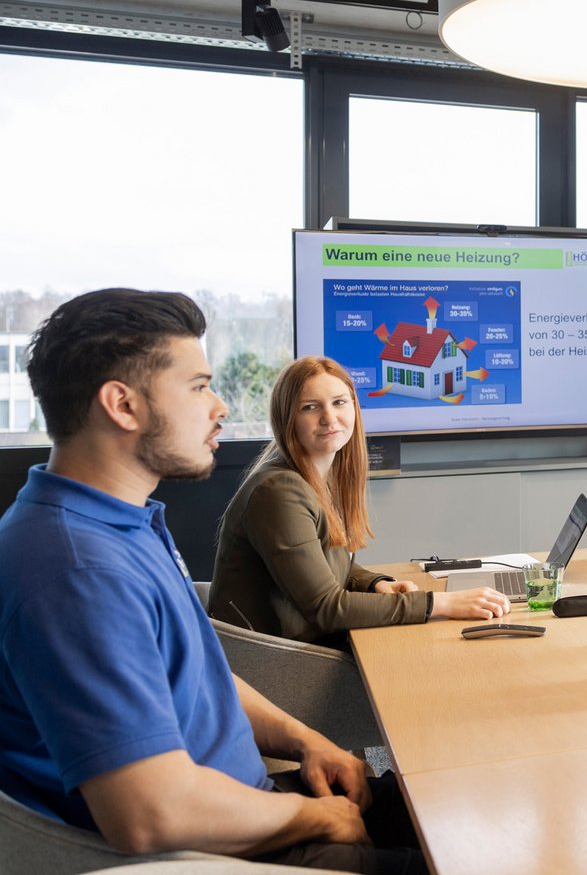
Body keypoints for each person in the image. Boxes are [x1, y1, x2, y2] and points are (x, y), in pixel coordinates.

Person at [0, 289, 424, 871]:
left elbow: (200, 672)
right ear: (122, 405)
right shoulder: (79, 571)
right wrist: (320, 818)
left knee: (463, 795)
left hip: (254, 805)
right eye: (198, 386)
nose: (220, 405)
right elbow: (154, 815)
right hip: (219, 848)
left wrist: (307, 742)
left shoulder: (124, 521)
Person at [209, 356, 508, 646]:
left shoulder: (317, 473)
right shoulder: (279, 491)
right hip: (277, 659)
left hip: (297, 642)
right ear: (286, 418)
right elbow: (326, 608)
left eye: (339, 402)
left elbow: (321, 561)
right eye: (310, 407)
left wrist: (375, 583)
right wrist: (440, 603)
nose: (329, 418)